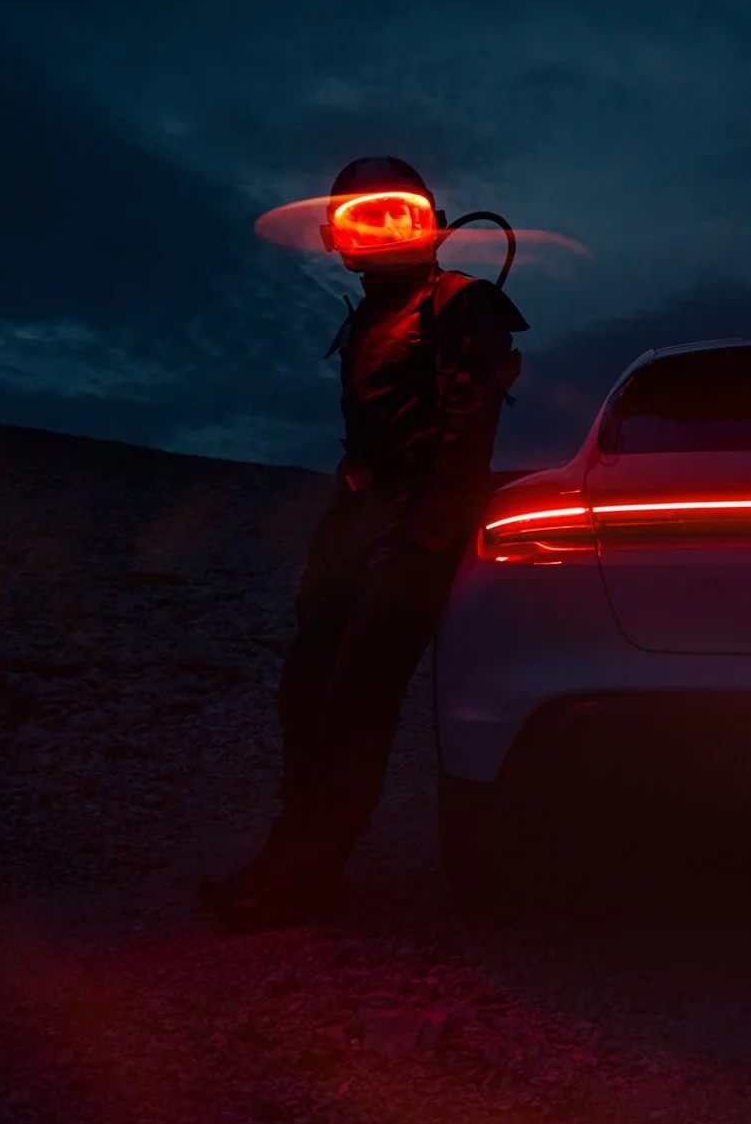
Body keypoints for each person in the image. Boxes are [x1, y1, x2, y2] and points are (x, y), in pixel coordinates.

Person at [201, 156, 527, 932]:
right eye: (361, 218)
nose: (381, 231)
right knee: (305, 690)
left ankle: (316, 870)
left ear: (430, 223)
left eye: (398, 214)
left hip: (420, 520)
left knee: (356, 699)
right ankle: (292, 855)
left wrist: (417, 539)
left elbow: (460, 443)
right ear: (336, 235)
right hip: (359, 515)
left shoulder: (462, 305)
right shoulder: (367, 316)